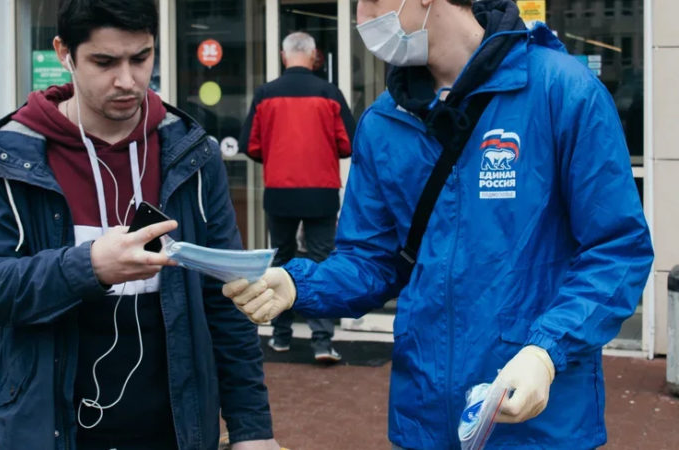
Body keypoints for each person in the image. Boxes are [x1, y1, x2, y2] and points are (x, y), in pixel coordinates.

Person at [223, 0, 653, 448]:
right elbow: (372, 261)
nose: (360, 18)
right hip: (426, 417)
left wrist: (546, 352)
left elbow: (617, 249)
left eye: (370, 1)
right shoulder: (384, 122)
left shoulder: (561, 91)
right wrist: (298, 285)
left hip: (538, 421)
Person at [0, 1, 280, 449]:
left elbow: (225, 298)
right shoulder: (8, 156)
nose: (128, 81)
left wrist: (251, 430)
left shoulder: (190, 152)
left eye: (141, 58)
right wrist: (89, 267)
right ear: (65, 53)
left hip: (177, 429)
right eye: (105, 62)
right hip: (50, 430)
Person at [238, 31, 356, 363]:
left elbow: (251, 145)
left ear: (282, 54)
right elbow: (347, 144)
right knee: (321, 260)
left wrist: (277, 156)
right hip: (321, 191)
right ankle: (321, 341)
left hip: (279, 191)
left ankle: (280, 335)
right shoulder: (329, 93)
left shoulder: (265, 94)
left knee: (281, 259)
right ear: (315, 55)